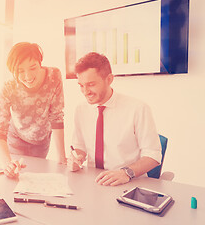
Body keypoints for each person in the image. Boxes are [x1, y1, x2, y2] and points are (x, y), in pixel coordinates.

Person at [67, 52, 162, 186]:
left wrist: (125, 173)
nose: (85, 91)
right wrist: (76, 158)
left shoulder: (137, 108)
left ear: (109, 79)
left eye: (91, 84)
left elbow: (153, 156)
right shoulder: (81, 110)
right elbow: (79, 147)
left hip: (130, 183)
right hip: (95, 182)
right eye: (81, 85)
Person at [0, 42, 66, 178]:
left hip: (41, 140)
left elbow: (57, 117)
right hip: (15, 139)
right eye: (20, 71)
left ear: (40, 63)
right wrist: (6, 164)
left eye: (33, 68)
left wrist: (62, 158)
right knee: (13, 177)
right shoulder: (9, 87)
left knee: (35, 179)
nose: (28, 76)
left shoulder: (54, 75)